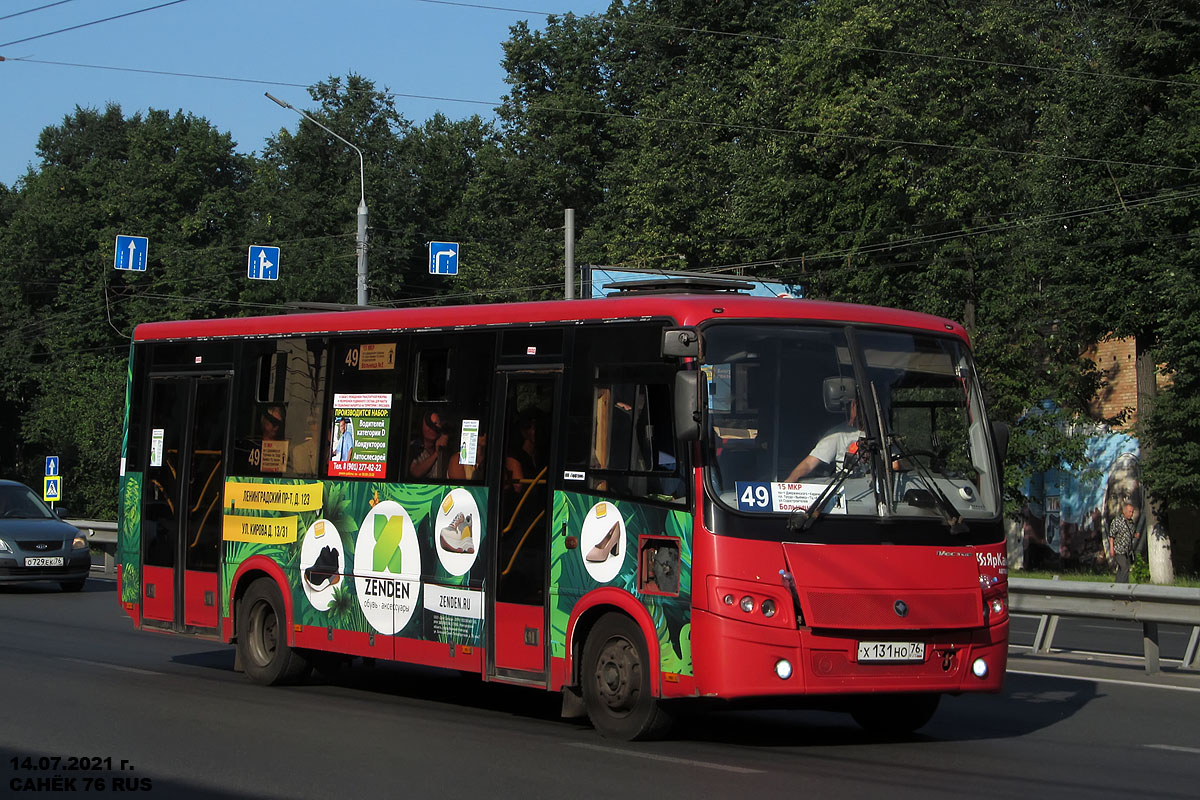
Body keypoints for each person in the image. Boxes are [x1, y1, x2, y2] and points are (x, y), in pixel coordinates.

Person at [785, 398, 863, 482]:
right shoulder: (838, 435)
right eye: (859, 405)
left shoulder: (879, 433)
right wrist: (787, 486)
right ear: (853, 405)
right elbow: (809, 464)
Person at [409, 410, 450, 479]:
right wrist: (436, 454)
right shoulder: (414, 447)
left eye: (437, 424)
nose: (431, 429)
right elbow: (415, 472)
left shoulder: (445, 447)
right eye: (429, 424)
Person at [1109, 502, 1137, 583]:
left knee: (1122, 568)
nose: (1131, 514)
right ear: (1124, 511)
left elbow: (1130, 534)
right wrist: (1111, 549)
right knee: (1124, 567)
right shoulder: (1117, 521)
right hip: (1118, 550)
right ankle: (1123, 587)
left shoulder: (1131, 523)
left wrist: (1135, 535)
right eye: (1129, 511)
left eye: (1132, 512)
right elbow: (1111, 536)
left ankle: (1117, 586)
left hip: (1127, 551)